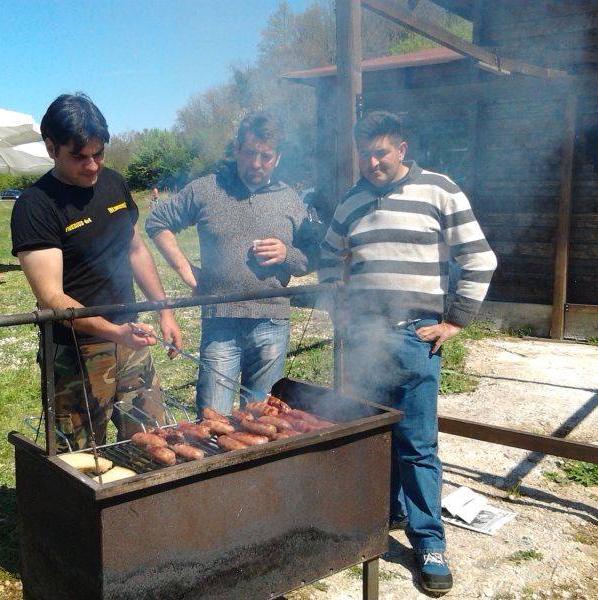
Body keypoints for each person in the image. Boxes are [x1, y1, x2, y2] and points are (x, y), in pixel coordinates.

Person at [318, 111, 497, 593]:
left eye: (381, 152)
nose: (372, 162)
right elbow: (329, 256)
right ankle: (384, 513)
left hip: (416, 335)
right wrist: (341, 312)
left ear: (401, 148)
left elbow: (480, 258)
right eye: (365, 154)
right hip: (365, 338)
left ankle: (429, 542)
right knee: (373, 434)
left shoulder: (439, 190)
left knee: (417, 443)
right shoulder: (352, 200)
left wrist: (456, 321)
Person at [11, 93, 182, 452]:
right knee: (82, 455)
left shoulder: (114, 183)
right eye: (79, 156)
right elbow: (51, 297)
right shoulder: (36, 205)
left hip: (131, 336)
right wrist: (113, 332)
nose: (92, 166)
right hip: (77, 350)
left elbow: (135, 250)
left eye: (99, 154)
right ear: (51, 148)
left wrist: (164, 311)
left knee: (152, 439)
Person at [145, 113, 314, 417]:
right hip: (221, 320)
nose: (257, 163)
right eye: (250, 153)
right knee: (214, 418)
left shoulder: (289, 199)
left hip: (272, 322)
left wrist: (286, 254)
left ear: (277, 158)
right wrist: (187, 272)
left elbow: (311, 257)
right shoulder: (207, 189)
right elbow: (157, 222)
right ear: (237, 149)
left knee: (263, 420)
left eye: (266, 156)